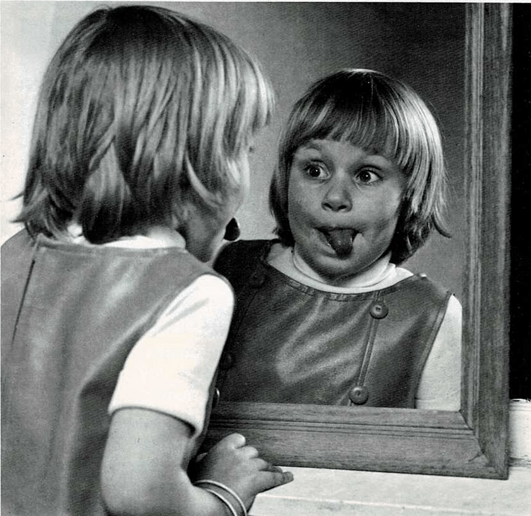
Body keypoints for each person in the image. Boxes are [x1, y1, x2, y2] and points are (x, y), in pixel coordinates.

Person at [1, 6, 293, 516]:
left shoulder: (14, 254)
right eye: (246, 150)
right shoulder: (190, 292)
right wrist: (223, 496)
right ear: (204, 164)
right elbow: (139, 491)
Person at [214, 69, 462, 411]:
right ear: (286, 177)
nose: (335, 197)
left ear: (410, 195)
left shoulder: (433, 315)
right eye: (315, 170)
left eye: (366, 175)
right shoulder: (225, 268)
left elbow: (443, 443)